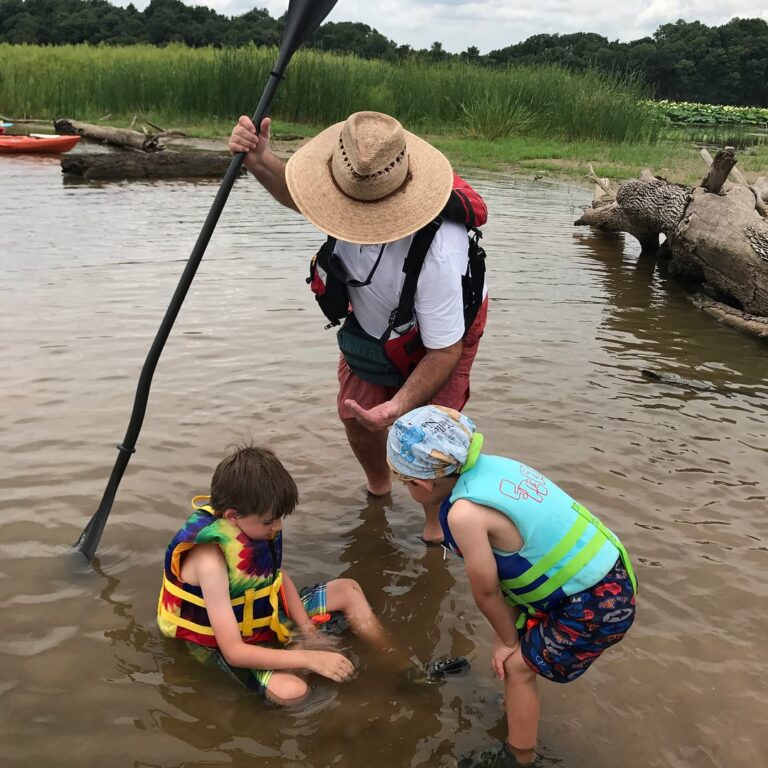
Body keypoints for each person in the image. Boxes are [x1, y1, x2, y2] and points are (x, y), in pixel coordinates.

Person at [228, 111, 489, 544]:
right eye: (345, 208)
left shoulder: (442, 249)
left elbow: (445, 351)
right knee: (355, 414)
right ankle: (379, 488)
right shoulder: (347, 182)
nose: (351, 222)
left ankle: (434, 524)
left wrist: (397, 407)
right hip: (373, 320)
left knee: (429, 438)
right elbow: (299, 196)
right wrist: (259, 159)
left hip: (446, 333)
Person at [386, 405, 637, 767]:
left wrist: (505, 642)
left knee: (518, 668)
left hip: (594, 603)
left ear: (421, 484)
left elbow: (486, 590)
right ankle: (516, 708)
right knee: (517, 650)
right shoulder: (496, 467)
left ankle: (519, 757)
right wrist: (509, 634)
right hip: (613, 573)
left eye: (405, 483)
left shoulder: (463, 514)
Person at [157, 444, 390, 705]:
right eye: (270, 521)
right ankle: (294, 663)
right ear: (233, 516)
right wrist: (310, 658)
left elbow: (276, 578)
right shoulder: (210, 562)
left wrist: (308, 631)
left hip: (263, 615)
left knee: (347, 589)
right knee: (293, 692)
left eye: (280, 518)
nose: (277, 527)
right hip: (222, 641)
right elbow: (233, 651)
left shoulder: (256, 524)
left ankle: (389, 658)